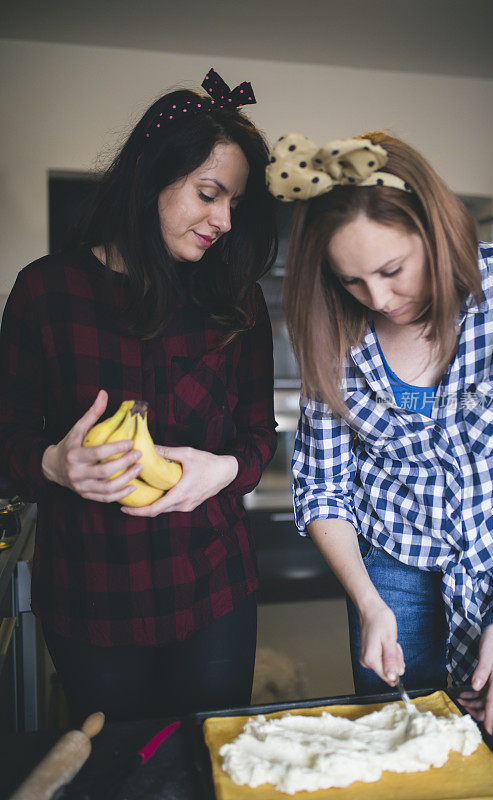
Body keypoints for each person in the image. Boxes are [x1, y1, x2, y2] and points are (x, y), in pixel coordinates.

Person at [0, 69, 277, 724]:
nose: (223, 220)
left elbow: (259, 433)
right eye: (209, 193)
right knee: (120, 770)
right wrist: (48, 463)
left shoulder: (236, 301)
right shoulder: (46, 291)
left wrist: (226, 470)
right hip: (90, 594)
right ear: (151, 175)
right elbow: (6, 429)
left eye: (234, 202)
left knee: (209, 755)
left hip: (215, 585)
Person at [266, 130, 493, 734]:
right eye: (352, 281)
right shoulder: (332, 331)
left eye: (391, 271)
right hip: (391, 579)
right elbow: (324, 491)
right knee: (401, 742)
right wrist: (369, 605)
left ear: (433, 233)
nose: (378, 299)